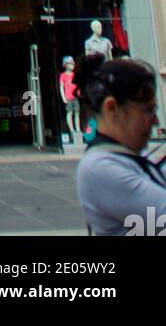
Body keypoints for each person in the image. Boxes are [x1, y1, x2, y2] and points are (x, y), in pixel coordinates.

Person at [75, 53, 166, 235]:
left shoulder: (125, 159)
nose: (155, 121)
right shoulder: (100, 167)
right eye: (148, 110)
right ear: (112, 108)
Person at [59, 56, 81, 144]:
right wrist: (63, 97)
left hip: (76, 96)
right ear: (65, 65)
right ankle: (72, 129)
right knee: (70, 112)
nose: (72, 65)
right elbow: (61, 87)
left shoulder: (75, 75)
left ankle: (77, 128)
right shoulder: (63, 75)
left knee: (77, 113)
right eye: (70, 63)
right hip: (68, 97)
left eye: (72, 63)